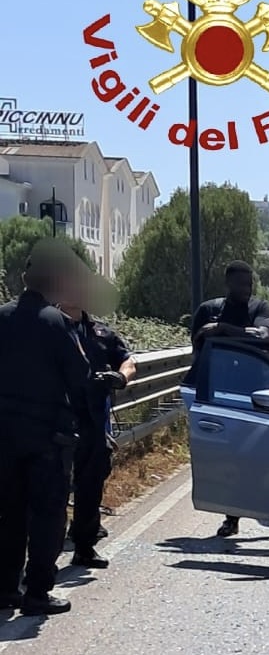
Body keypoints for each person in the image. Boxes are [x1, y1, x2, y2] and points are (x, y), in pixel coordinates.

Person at [0, 239, 92, 616]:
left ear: (23, 278)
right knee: (47, 515)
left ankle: (5, 588)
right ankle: (37, 591)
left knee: (7, 513)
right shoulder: (57, 323)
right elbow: (80, 376)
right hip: (46, 440)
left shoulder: (1, 317)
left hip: (3, 437)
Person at [190, 261, 269, 540]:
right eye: (240, 284)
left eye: (249, 284)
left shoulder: (260, 308)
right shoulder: (208, 310)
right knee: (232, 459)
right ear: (228, 284)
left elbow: (262, 334)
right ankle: (231, 517)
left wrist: (223, 329)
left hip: (259, 395)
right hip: (224, 395)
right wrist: (213, 330)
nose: (246, 289)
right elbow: (198, 344)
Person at [59, 285, 136, 570]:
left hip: (92, 421)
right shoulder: (49, 328)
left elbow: (128, 359)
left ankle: (84, 546)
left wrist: (120, 376)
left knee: (91, 486)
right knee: (54, 488)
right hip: (58, 419)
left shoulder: (100, 333)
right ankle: (41, 561)